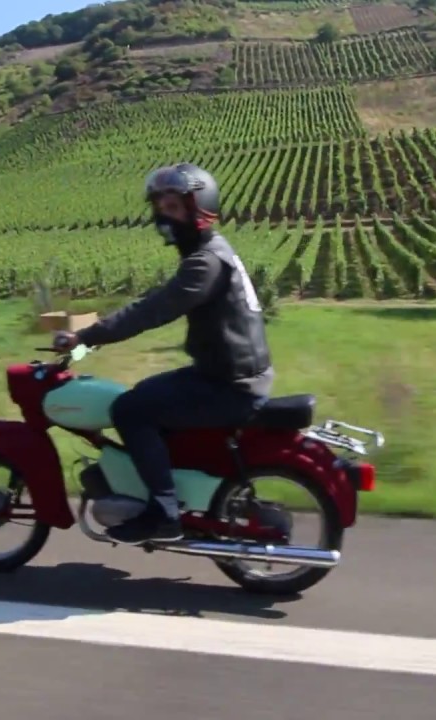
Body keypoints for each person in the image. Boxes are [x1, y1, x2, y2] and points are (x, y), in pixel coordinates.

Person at [52, 163, 274, 545]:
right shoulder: (209, 253)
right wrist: (93, 335)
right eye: (160, 207)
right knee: (143, 392)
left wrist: (85, 335)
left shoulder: (204, 264)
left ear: (198, 209)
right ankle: (170, 490)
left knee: (129, 410)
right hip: (225, 375)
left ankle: (165, 512)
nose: (163, 216)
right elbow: (150, 305)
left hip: (231, 386)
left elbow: (151, 310)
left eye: (173, 207)